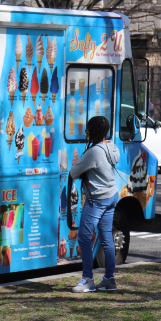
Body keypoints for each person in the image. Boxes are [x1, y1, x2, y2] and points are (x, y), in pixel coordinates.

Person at [69, 116, 120, 293]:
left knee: (83, 237)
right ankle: (109, 280)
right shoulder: (111, 146)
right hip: (111, 196)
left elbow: (74, 172)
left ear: (95, 131)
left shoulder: (94, 152)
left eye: (89, 129)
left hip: (97, 199)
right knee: (107, 238)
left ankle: (88, 279)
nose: (87, 132)